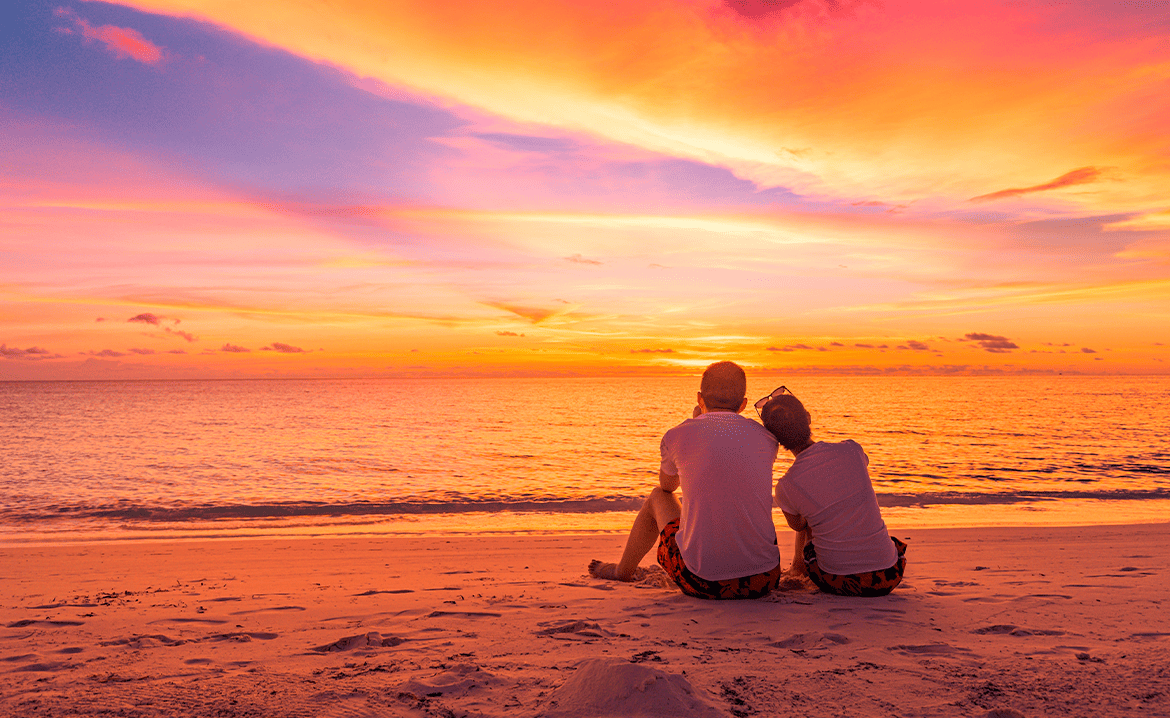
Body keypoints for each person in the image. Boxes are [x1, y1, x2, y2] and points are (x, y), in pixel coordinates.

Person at [589, 361, 784, 599]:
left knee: (656, 497)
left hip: (701, 581)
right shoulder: (766, 437)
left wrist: (695, 422)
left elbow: (667, 486)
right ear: (743, 404)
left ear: (700, 398)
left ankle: (622, 570)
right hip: (764, 579)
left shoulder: (677, 435)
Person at [758, 389, 907, 597]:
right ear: (808, 418)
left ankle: (798, 568)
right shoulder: (852, 450)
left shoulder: (786, 486)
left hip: (837, 580)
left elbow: (798, 526)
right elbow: (862, 467)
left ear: (775, 439)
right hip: (889, 574)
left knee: (807, 515)